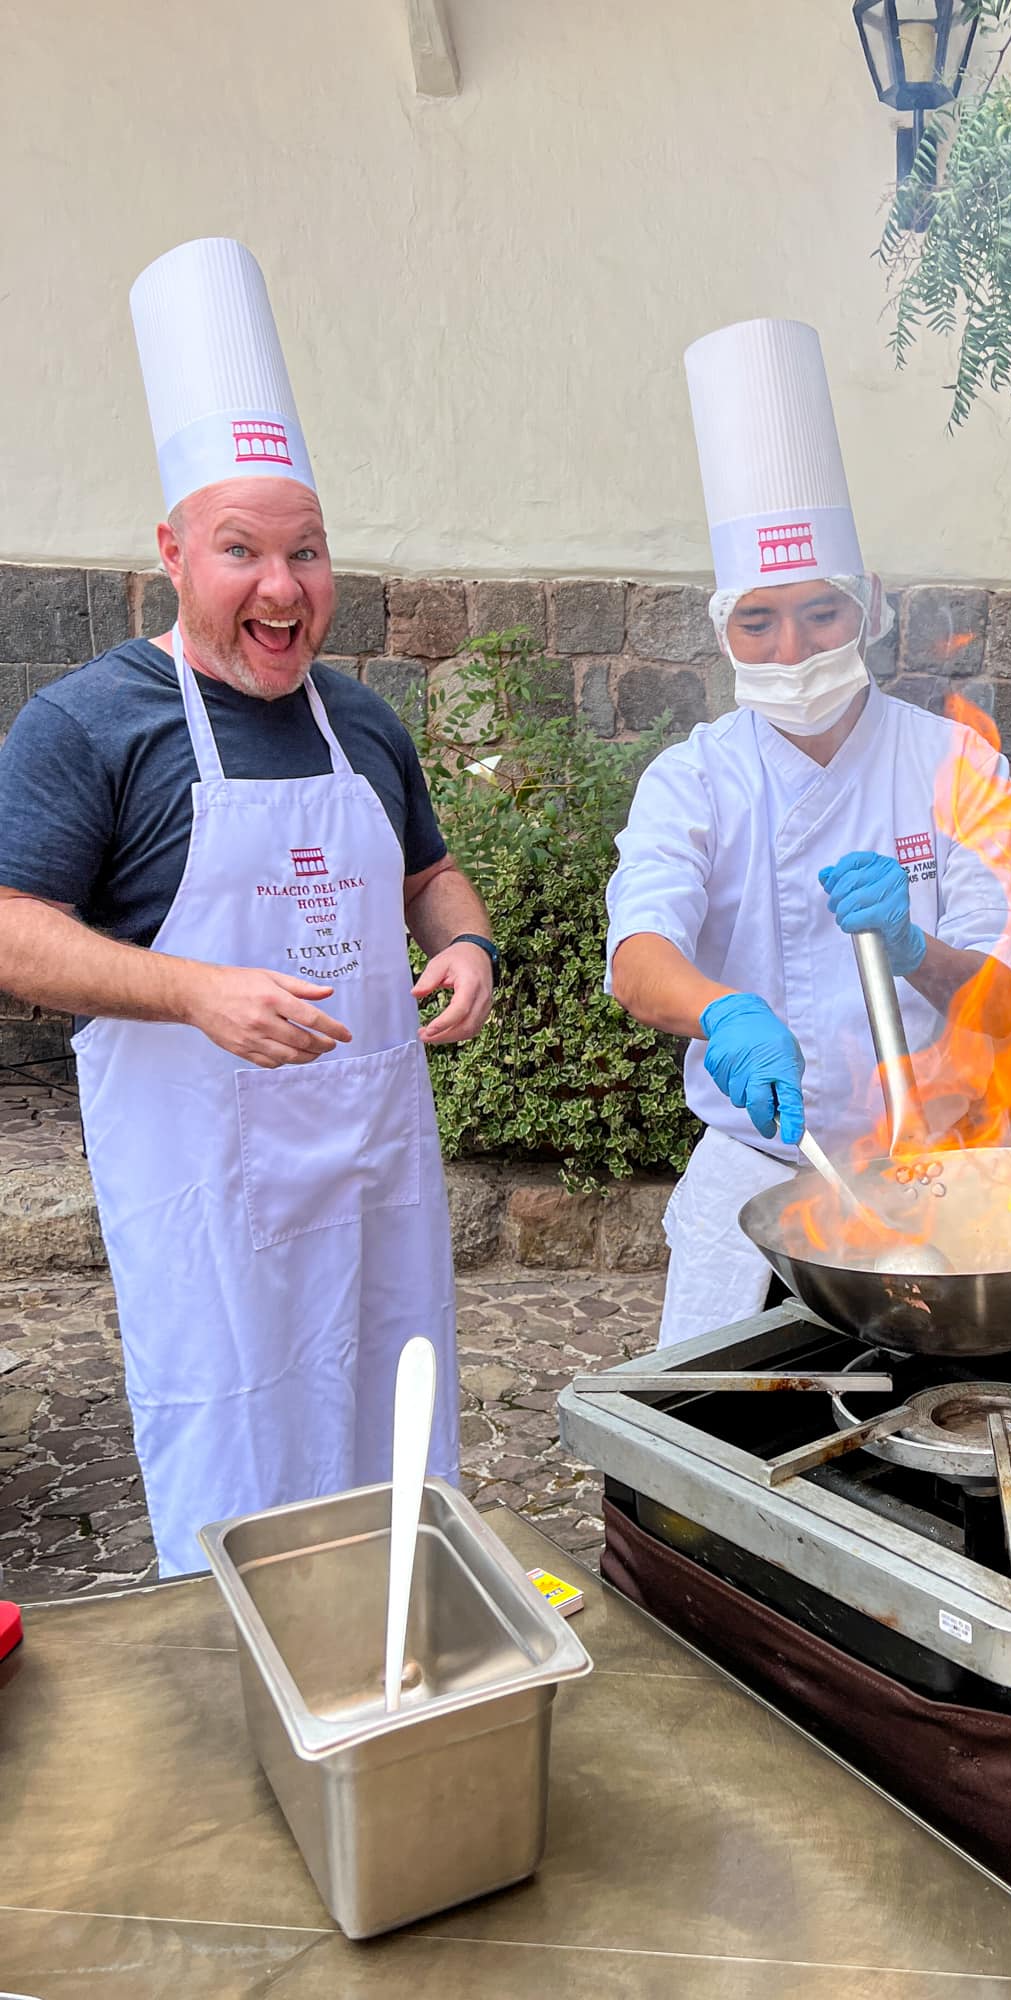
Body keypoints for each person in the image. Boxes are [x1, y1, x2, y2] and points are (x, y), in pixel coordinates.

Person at [0, 239, 495, 1574]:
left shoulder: (367, 724)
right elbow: (10, 929)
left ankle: (400, 1684)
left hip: (377, 1192)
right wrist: (196, 990)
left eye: (307, 554)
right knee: (236, 1465)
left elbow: (426, 870)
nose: (282, 588)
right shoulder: (90, 724)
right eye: (242, 553)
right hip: (212, 1207)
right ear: (173, 553)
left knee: (394, 1450)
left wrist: (464, 939)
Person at [606, 318, 1011, 1348]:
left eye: (819, 614)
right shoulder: (696, 778)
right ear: (724, 631)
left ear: (868, 606)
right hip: (752, 1183)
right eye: (760, 620)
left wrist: (919, 953)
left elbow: (1006, 1007)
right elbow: (639, 958)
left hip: (925, 1185)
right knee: (707, 1463)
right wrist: (726, 1010)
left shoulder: (956, 764)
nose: (791, 646)